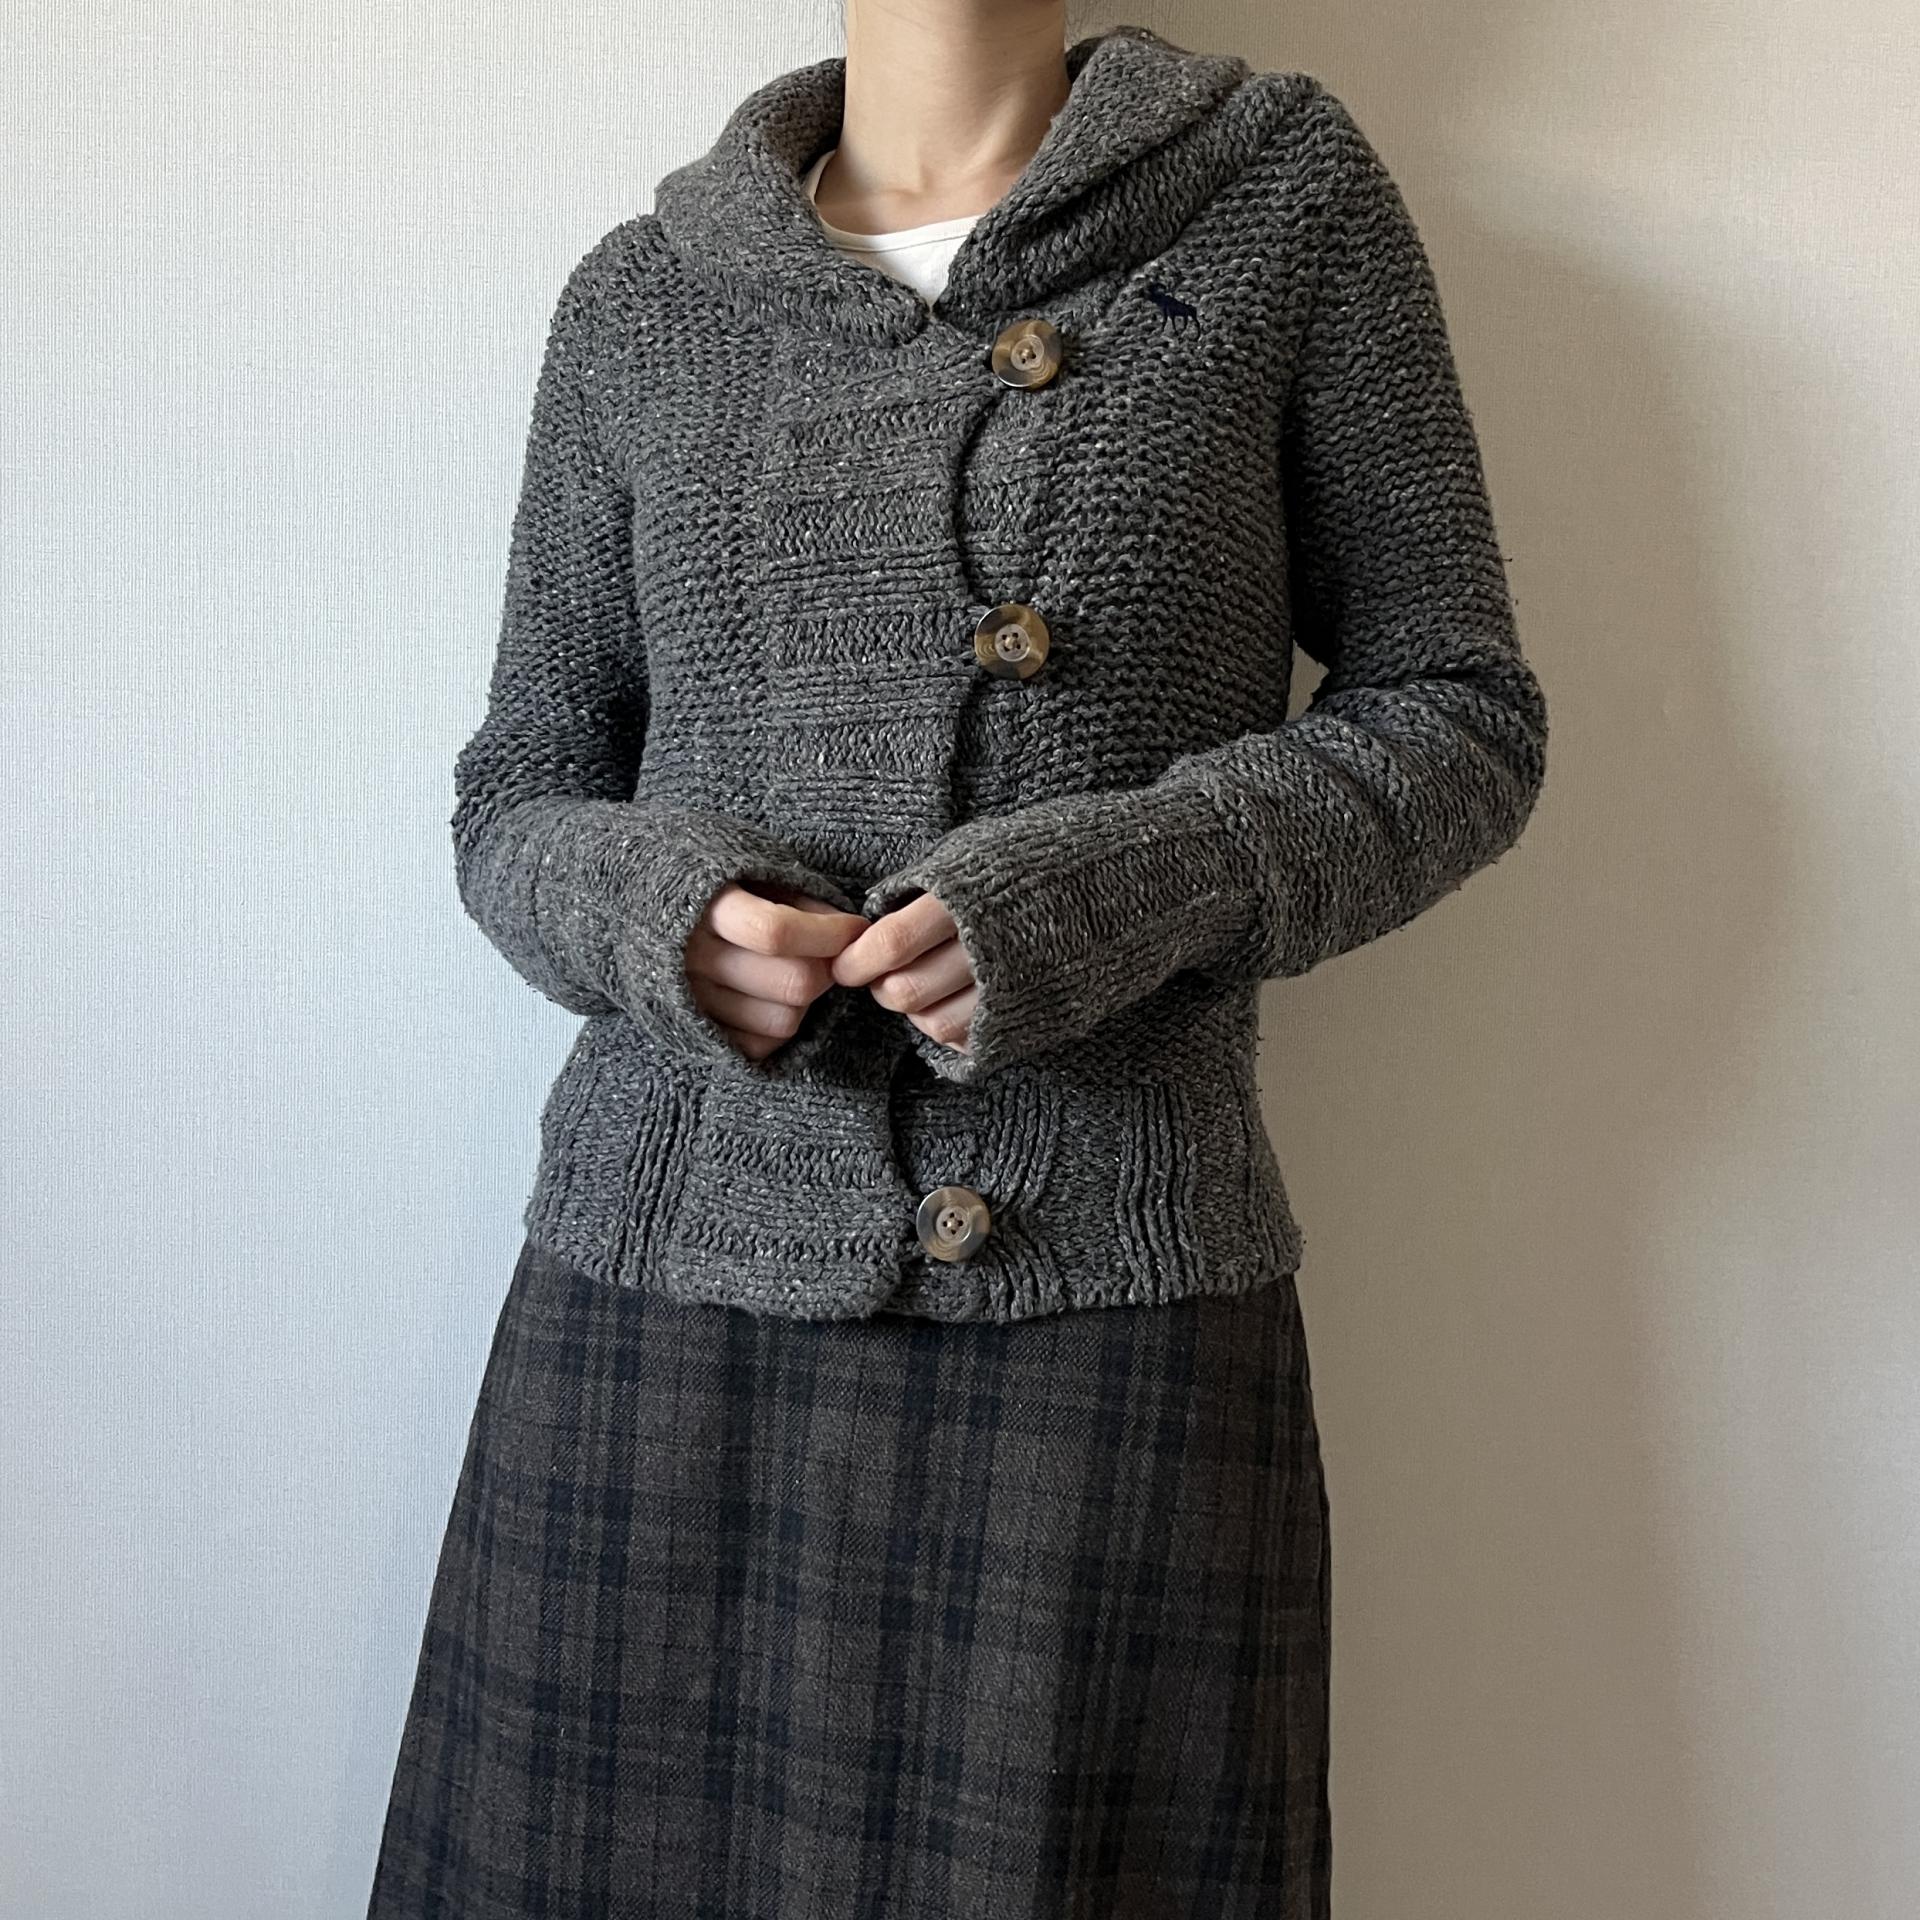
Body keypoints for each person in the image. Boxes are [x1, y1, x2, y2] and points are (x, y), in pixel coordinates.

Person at [366, 5, 1549, 1915]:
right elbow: (520, 792)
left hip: (1100, 1293)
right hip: (667, 1303)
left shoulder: (1283, 204)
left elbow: (1458, 712)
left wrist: (1119, 890)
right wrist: (665, 920)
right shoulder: (646, 297)